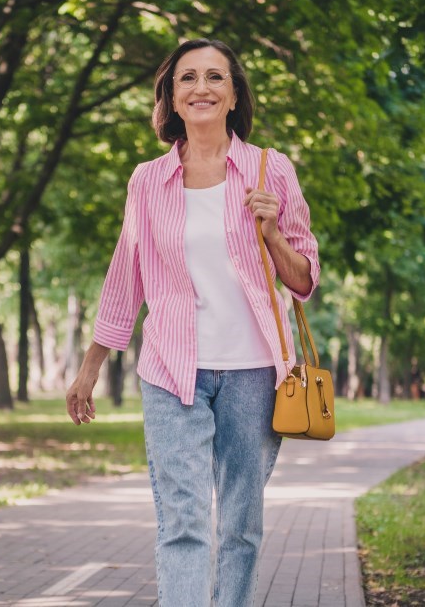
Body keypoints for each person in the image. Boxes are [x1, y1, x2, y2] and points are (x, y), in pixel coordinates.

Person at [65, 38, 320, 607]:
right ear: (172, 99)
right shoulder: (147, 181)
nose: (200, 87)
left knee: (240, 524)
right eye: (187, 79)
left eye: (214, 77)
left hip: (255, 372)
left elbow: (303, 280)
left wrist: (272, 232)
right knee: (182, 522)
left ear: (233, 95)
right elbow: (123, 278)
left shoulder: (269, 168)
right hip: (171, 370)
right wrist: (89, 369)